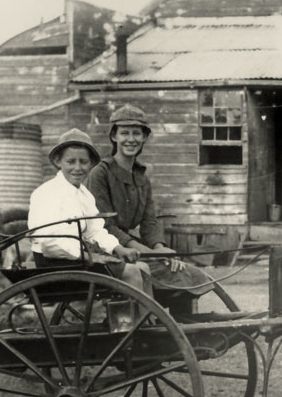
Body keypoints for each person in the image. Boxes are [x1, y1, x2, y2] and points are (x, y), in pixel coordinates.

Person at [86, 104, 214, 313]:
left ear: (145, 137)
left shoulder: (142, 177)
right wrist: (146, 252)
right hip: (107, 249)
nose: (131, 139)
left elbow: (149, 222)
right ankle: (153, 327)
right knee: (171, 272)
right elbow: (104, 225)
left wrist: (159, 247)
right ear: (114, 137)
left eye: (137, 133)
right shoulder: (100, 173)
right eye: (124, 133)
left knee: (187, 272)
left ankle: (181, 330)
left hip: (133, 247)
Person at [28, 128, 150, 293]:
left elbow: (95, 230)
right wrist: (89, 256)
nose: (77, 168)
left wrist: (118, 248)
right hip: (55, 263)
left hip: (78, 259)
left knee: (143, 268)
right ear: (58, 162)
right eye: (71, 162)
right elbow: (50, 243)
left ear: (91, 164)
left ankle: (144, 318)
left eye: (83, 162)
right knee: (132, 272)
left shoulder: (84, 194)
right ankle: (137, 318)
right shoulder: (47, 193)